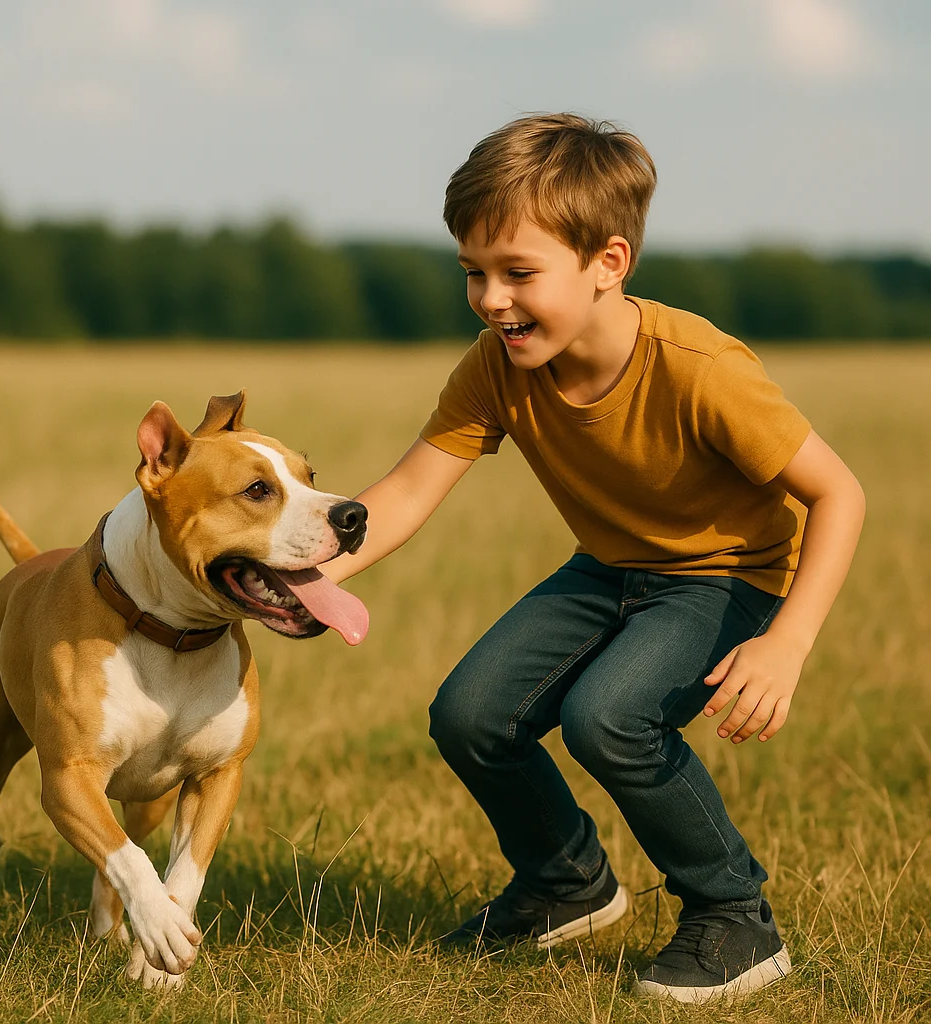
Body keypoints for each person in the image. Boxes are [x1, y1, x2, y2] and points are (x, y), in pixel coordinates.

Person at [320, 113, 865, 1003]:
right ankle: (564, 884)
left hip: (730, 578)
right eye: (473, 273)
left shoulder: (698, 367)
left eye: (518, 273)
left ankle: (736, 920)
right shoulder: (499, 367)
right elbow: (407, 493)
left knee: (608, 716)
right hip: (609, 572)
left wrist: (788, 644)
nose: (491, 299)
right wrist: (309, 577)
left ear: (608, 262)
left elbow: (840, 494)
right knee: (470, 715)